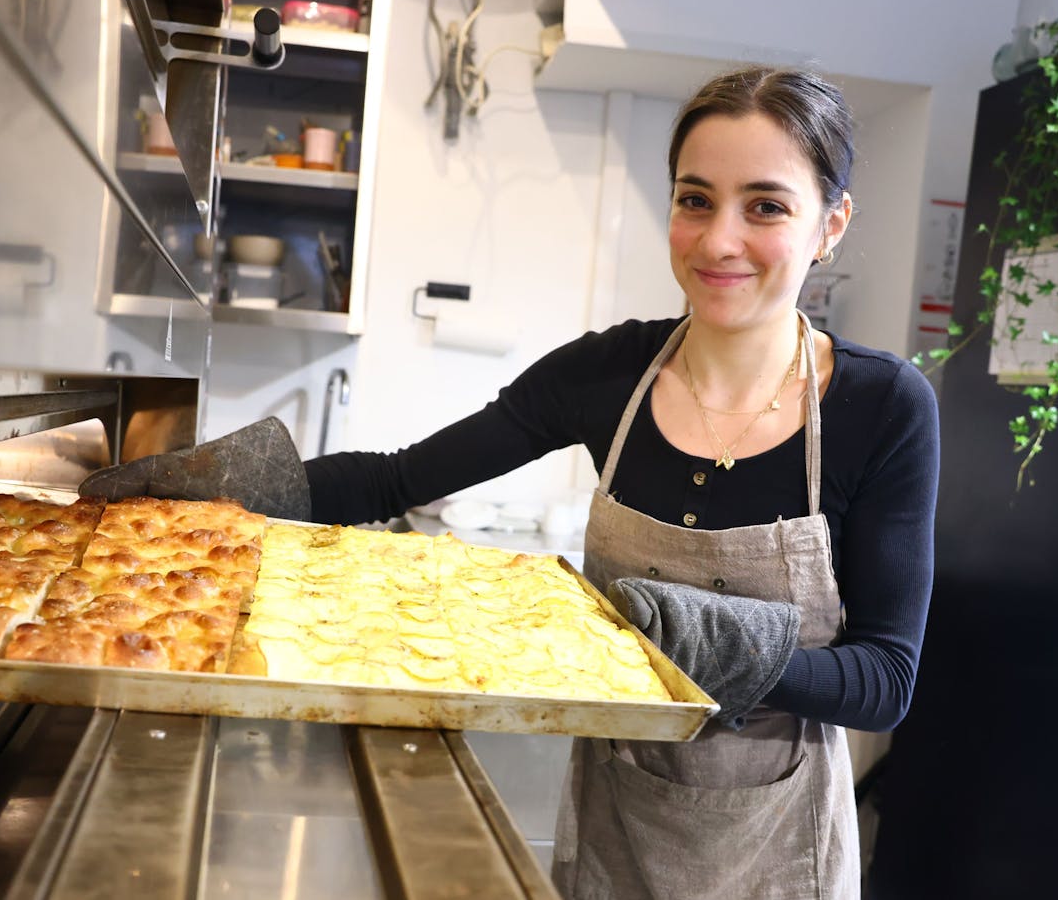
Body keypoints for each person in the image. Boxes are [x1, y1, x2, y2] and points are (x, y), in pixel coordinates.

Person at [84, 66, 939, 900]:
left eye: (766, 206)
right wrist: (196, 497)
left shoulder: (883, 406)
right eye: (694, 198)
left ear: (831, 223)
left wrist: (724, 645)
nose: (719, 239)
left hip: (779, 852)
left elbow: (884, 679)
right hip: (616, 825)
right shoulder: (606, 374)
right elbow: (398, 478)